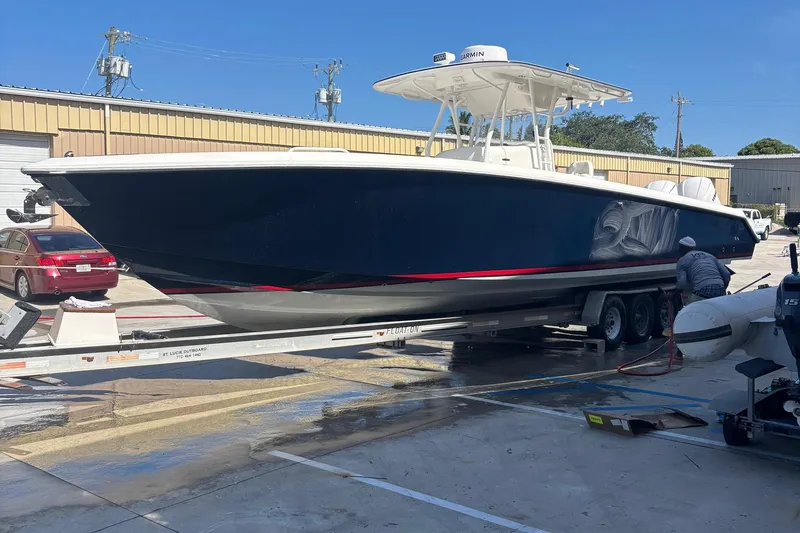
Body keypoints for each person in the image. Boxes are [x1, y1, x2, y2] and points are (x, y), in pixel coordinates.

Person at [675, 236, 731, 304]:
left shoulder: (682, 260)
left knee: (688, 311)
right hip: (720, 289)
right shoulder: (709, 256)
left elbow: (682, 284)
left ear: (682, 248)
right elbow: (727, 274)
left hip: (702, 290)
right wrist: (723, 289)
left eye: (679, 247)